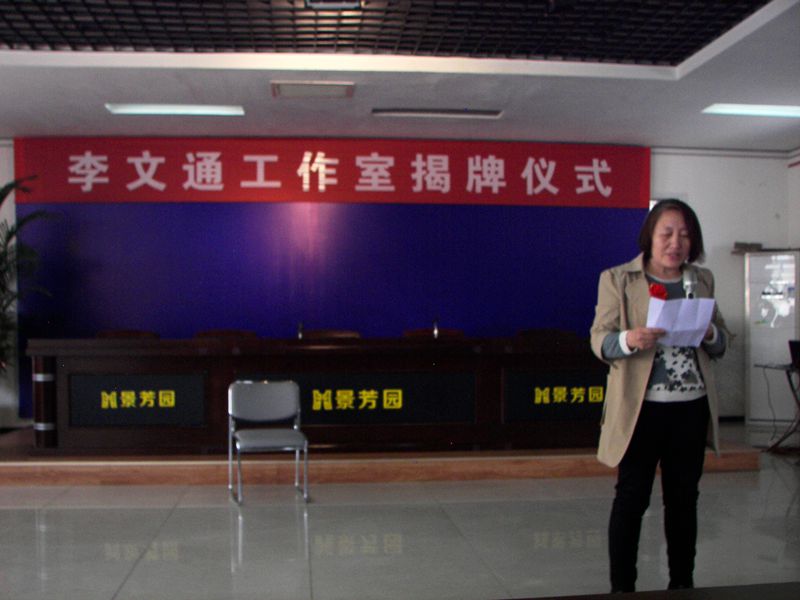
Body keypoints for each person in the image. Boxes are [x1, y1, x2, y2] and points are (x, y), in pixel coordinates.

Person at [589, 199, 728, 593]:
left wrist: (710, 333)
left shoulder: (702, 280)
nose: (675, 242)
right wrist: (629, 339)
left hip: (690, 410)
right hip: (640, 411)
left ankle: (682, 584)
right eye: (667, 233)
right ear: (650, 236)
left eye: (684, 235)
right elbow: (599, 340)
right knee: (632, 499)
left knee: (684, 501)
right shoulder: (619, 279)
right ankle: (623, 588)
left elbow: (721, 343)